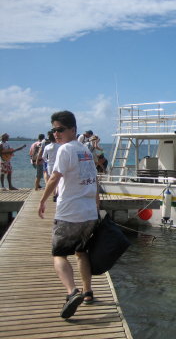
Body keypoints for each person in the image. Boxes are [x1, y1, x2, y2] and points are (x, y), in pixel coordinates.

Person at [38, 111, 99, 319]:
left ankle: (72, 291)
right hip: (89, 213)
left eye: (60, 130)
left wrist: (42, 200)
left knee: (59, 254)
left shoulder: (65, 149)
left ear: (73, 129)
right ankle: (88, 292)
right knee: (82, 252)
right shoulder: (86, 150)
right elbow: (94, 181)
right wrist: (97, 208)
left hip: (70, 212)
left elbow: (55, 177)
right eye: (53, 130)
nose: (56, 134)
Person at [42, 131, 61, 201]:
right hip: (58, 164)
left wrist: (47, 161)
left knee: (52, 180)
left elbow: (43, 157)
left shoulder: (47, 147)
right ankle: (57, 193)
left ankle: (54, 194)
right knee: (58, 180)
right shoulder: (59, 146)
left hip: (50, 165)